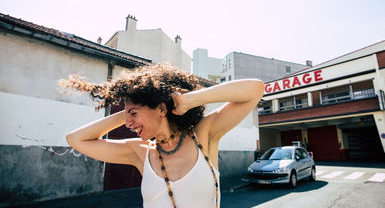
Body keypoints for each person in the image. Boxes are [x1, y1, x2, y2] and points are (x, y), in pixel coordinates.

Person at [61, 64, 264, 208]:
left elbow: (255, 89)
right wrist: (124, 115)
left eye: (133, 113)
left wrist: (189, 100)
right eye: (126, 116)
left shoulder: (203, 134)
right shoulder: (139, 152)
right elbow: (75, 139)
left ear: (161, 108)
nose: (128, 123)